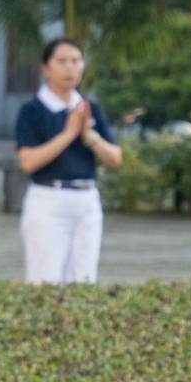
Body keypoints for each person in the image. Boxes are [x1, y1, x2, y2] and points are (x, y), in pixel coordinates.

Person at [13, 36, 122, 286]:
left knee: (84, 280)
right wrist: (69, 134)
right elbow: (28, 162)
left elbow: (115, 158)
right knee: (45, 280)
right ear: (46, 67)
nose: (70, 68)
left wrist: (88, 135)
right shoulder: (32, 111)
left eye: (76, 61)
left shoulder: (89, 109)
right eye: (61, 61)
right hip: (48, 199)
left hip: (86, 200)